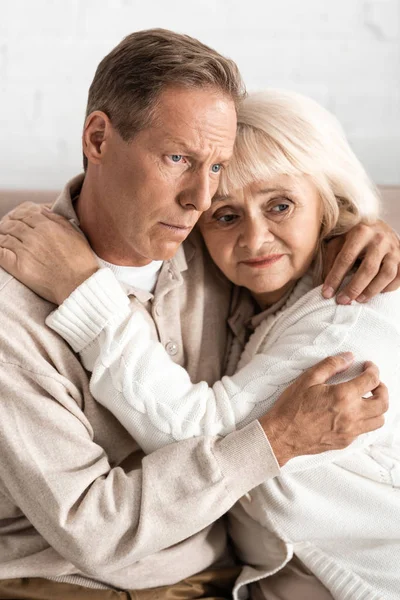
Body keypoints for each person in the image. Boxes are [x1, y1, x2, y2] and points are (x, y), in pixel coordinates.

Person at [0, 31, 398, 600]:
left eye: (215, 168)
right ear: (97, 138)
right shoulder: (11, 313)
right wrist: (279, 436)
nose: (200, 200)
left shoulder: (214, 250)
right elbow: (96, 531)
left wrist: (359, 232)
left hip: (218, 580)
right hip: (68, 585)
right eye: (178, 159)